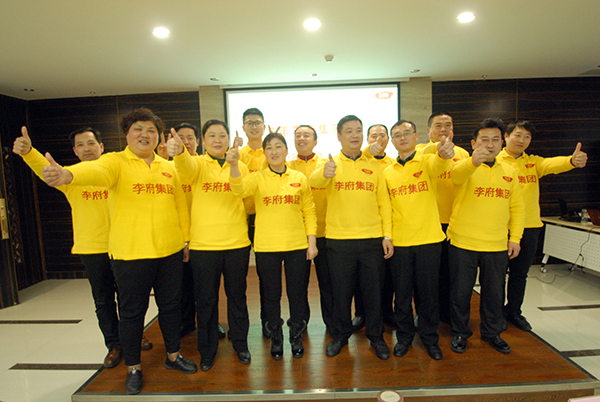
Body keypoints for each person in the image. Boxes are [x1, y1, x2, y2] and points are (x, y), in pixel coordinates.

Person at [42, 107, 196, 395]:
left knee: (171, 307)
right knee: (132, 313)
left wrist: (185, 240)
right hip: (130, 254)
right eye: (138, 129)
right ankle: (134, 367)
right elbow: (94, 171)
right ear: (127, 134)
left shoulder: (168, 167)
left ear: (158, 137)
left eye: (151, 130)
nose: (145, 135)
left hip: (170, 251)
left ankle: (174, 356)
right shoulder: (114, 162)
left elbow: (180, 206)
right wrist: (67, 174)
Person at [12, 126, 152, 370]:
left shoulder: (117, 172)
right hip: (92, 249)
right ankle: (114, 345)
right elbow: (47, 170)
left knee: (130, 298)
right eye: (80, 145)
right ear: (75, 152)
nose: (86, 148)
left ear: (102, 147)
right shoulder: (71, 178)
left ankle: (133, 336)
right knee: (103, 300)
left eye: (91, 143)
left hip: (124, 245)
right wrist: (28, 152)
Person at [167, 119, 252, 371]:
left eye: (222, 135)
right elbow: (185, 166)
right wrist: (179, 152)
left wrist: (234, 164)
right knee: (206, 301)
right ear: (203, 141)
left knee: (237, 297)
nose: (217, 140)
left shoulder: (241, 166)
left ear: (229, 139)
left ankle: (241, 345)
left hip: (237, 243)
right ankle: (207, 351)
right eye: (212, 136)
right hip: (204, 246)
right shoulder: (198, 164)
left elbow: (245, 197)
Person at [228, 132, 317, 360]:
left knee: (297, 294)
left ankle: (295, 335)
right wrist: (234, 165)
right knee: (271, 295)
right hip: (267, 247)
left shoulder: (299, 177)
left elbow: (309, 210)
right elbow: (238, 190)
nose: (274, 151)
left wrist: (312, 242)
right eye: (269, 148)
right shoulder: (257, 178)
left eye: (278, 146)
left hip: (297, 245)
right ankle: (276, 336)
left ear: (286, 150)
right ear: (264, 153)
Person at [310, 115, 393, 360]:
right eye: (349, 131)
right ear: (338, 135)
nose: (354, 135)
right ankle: (340, 335)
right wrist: (325, 173)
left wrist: (387, 235)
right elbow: (315, 181)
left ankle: (376, 337)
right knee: (341, 292)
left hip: (372, 240)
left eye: (358, 130)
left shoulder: (375, 166)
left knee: (373, 293)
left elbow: (384, 203)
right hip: (339, 241)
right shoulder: (330, 163)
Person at [499, 120, 588, 331]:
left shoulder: (533, 163)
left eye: (527, 137)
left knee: (520, 273)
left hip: (529, 227)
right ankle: (496, 313)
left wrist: (571, 161)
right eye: (518, 135)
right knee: (497, 275)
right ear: (506, 136)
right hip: (500, 227)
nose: (522, 140)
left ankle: (514, 311)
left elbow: (552, 164)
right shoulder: (494, 161)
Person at [447, 118, 525, 355]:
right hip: (463, 242)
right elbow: (456, 176)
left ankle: (492, 333)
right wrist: (473, 162)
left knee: (494, 294)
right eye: (484, 140)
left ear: (502, 143)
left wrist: (515, 238)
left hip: (496, 244)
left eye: (495, 140)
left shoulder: (510, 172)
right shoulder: (464, 165)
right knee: (460, 292)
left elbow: (517, 208)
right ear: (473, 143)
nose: (490, 145)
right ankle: (460, 332)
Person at [383, 120, 454, 361]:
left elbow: (440, 161)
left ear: (416, 136)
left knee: (428, 294)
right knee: (402, 294)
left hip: (429, 241)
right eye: (397, 135)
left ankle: (429, 338)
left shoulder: (427, 161)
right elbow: (386, 208)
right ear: (392, 141)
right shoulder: (387, 172)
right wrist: (387, 236)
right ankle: (404, 337)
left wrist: (443, 152)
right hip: (400, 243)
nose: (402, 138)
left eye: (407, 133)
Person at [417, 112, 470, 325]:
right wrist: (437, 149)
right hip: (429, 223)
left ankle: (447, 313)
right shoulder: (420, 151)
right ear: (429, 131)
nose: (444, 129)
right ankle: (425, 314)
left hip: (456, 223)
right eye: (438, 126)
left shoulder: (463, 154)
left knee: (452, 273)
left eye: (448, 125)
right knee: (427, 275)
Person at [288, 125, 331, 331]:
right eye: (298, 135)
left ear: (315, 141)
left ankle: (332, 323)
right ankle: (300, 322)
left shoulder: (325, 164)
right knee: (298, 284)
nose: (302, 138)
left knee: (328, 283)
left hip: (324, 231)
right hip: (297, 234)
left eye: (307, 135)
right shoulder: (286, 166)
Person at [354, 124, 395, 330]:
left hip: (388, 226)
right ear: (367, 139)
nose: (378, 139)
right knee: (360, 277)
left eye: (382, 135)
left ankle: (386, 312)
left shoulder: (393, 164)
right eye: (373, 136)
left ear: (388, 139)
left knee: (386, 276)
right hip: (365, 228)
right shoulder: (360, 160)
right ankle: (361, 313)